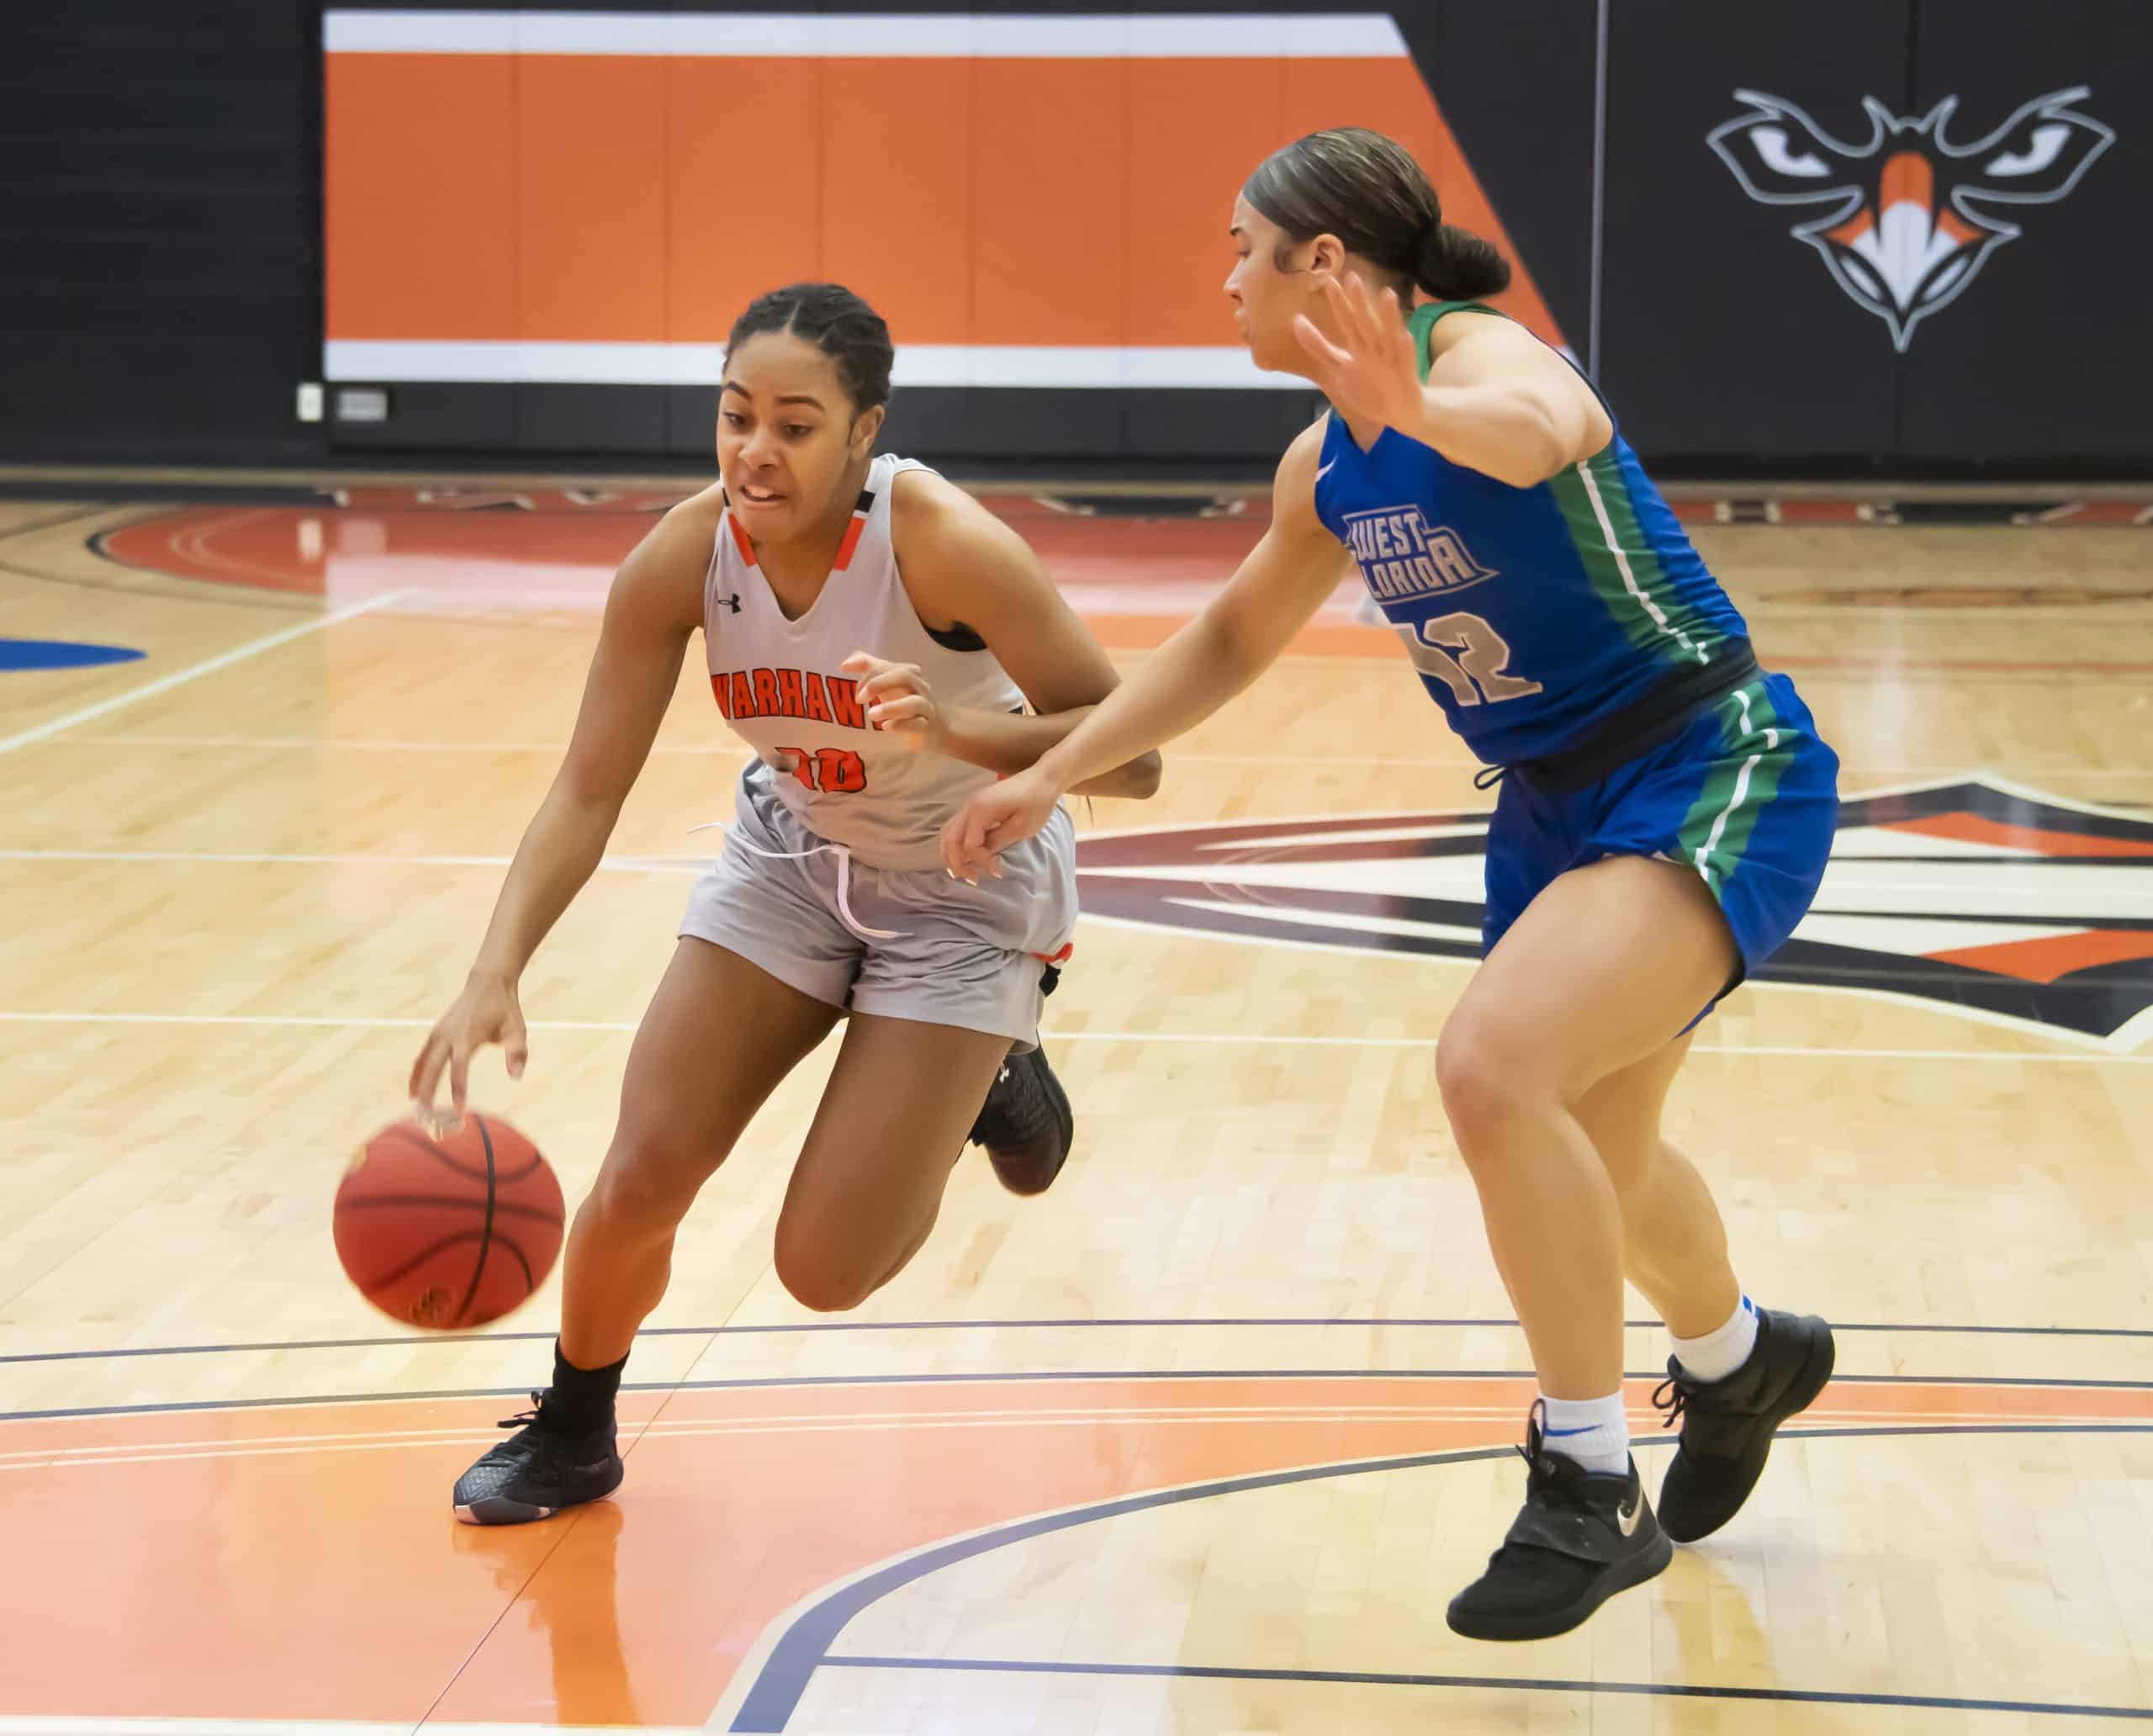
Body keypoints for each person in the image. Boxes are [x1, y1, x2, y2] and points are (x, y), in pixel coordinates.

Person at [943, 129, 1840, 1641]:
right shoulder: (1324, 464)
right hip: (1558, 809)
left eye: (1245, 246)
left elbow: (1546, 432)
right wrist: (1050, 767)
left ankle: (1586, 1479)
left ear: (1332, 269)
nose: (1224, 277)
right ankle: (1741, 1356)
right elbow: (1226, 647)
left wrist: (1419, 400)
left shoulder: (1485, 355)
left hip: (1707, 760)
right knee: (1599, 1166)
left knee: (1493, 1072)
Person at [413, 282, 1161, 1525]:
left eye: (796, 425)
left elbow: (1133, 756)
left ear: (865, 432)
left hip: (965, 890)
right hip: (792, 859)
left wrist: (962, 725)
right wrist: (497, 966)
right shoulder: (684, 557)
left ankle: (992, 1068)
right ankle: (575, 1427)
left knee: (823, 1270)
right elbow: (588, 791)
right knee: (644, 1168)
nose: (756, 449)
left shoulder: (946, 543)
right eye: (736, 416)